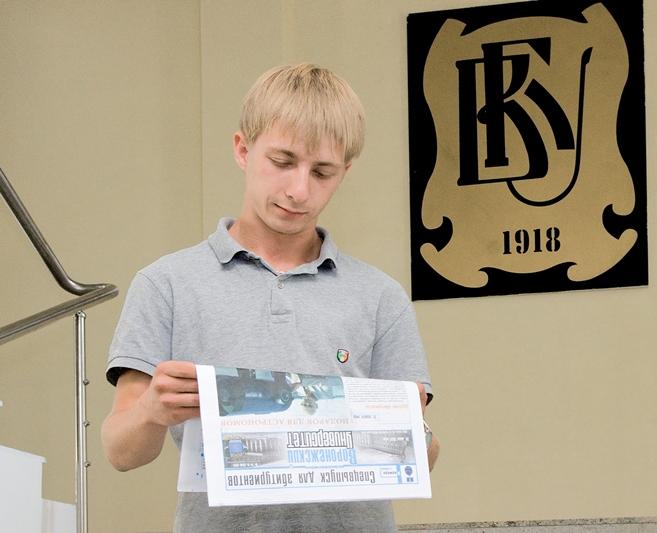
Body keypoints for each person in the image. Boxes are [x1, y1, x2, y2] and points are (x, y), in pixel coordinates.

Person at [101, 63, 439, 533]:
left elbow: (423, 457)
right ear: (243, 149)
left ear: (345, 172)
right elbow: (119, 451)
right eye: (282, 162)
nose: (299, 191)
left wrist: (410, 428)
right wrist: (150, 411)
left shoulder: (381, 296)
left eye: (322, 172)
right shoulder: (166, 284)